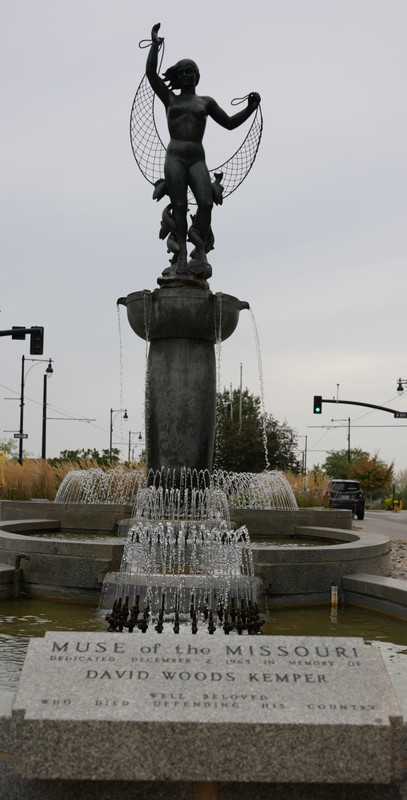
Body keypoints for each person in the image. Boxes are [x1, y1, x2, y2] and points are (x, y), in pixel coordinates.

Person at [146, 23, 260, 277]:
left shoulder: (206, 102)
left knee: (206, 203)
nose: (186, 75)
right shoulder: (170, 99)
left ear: (197, 76)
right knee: (178, 205)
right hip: (174, 157)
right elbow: (152, 74)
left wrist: (250, 109)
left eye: (190, 72)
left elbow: (229, 123)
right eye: (182, 72)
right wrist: (155, 45)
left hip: (197, 159)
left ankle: (200, 250)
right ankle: (182, 257)